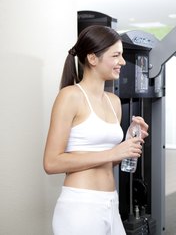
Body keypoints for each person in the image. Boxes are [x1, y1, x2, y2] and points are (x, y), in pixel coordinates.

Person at [43, 25, 149, 235]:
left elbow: (109, 160)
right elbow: (51, 163)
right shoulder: (70, 96)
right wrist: (112, 152)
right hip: (80, 206)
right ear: (92, 59)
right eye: (116, 55)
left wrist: (129, 143)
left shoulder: (114, 102)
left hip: (110, 202)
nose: (122, 62)